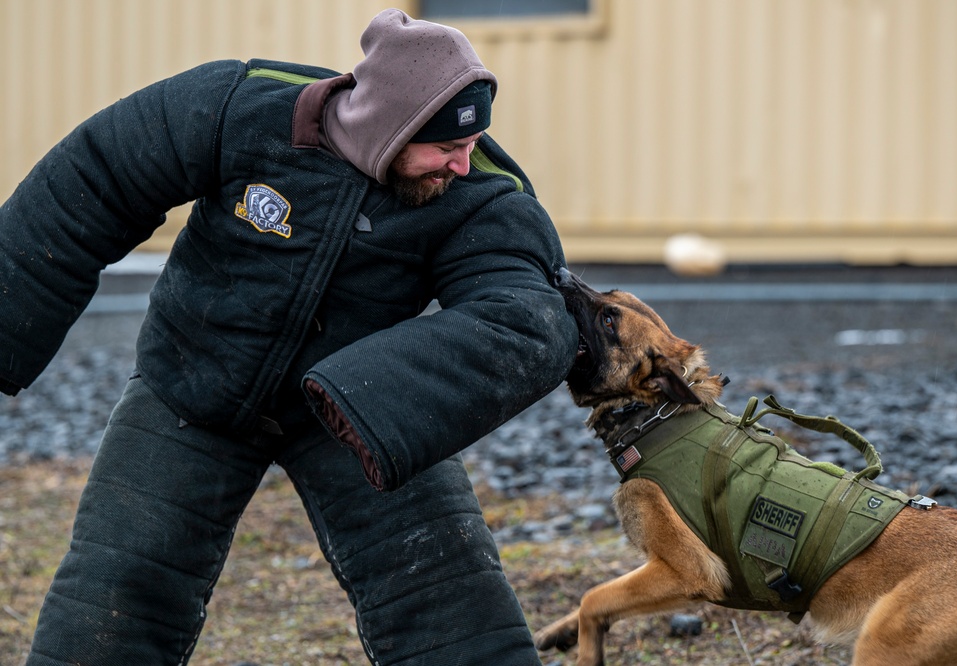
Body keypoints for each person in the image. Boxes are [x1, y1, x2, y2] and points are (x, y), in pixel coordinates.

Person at [0, 8, 577, 665]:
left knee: (454, 616)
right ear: (390, 125)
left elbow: (526, 316)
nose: (463, 163)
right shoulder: (238, 107)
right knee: (112, 605)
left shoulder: (480, 198)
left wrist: (367, 398)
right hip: (191, 384)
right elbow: (92, 181)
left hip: (357, 415)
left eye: (473, 143)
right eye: (446, 144)